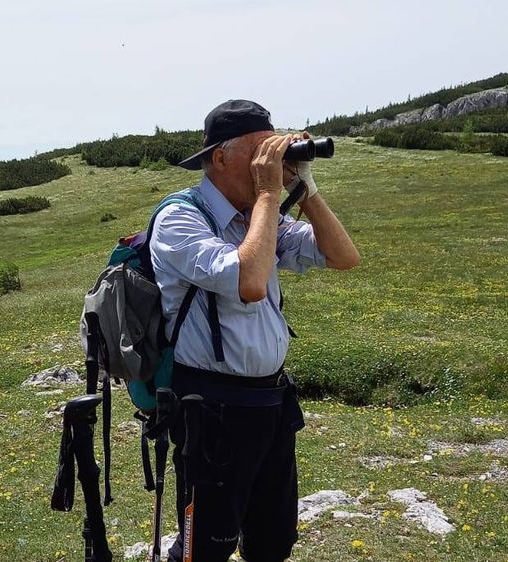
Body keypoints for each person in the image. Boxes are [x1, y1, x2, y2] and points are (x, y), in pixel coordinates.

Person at [149, 99, 360, 562]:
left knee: (272, 542)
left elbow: (344, 256)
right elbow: (249, 282)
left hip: (270, 403)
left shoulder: (259, 219)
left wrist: (306, 190)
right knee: (206, 547)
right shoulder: (180, 218)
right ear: (220, 158)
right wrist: (267, 194)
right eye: (261, 150)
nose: (272, 159)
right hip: (211, 408)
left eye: (275, 149)